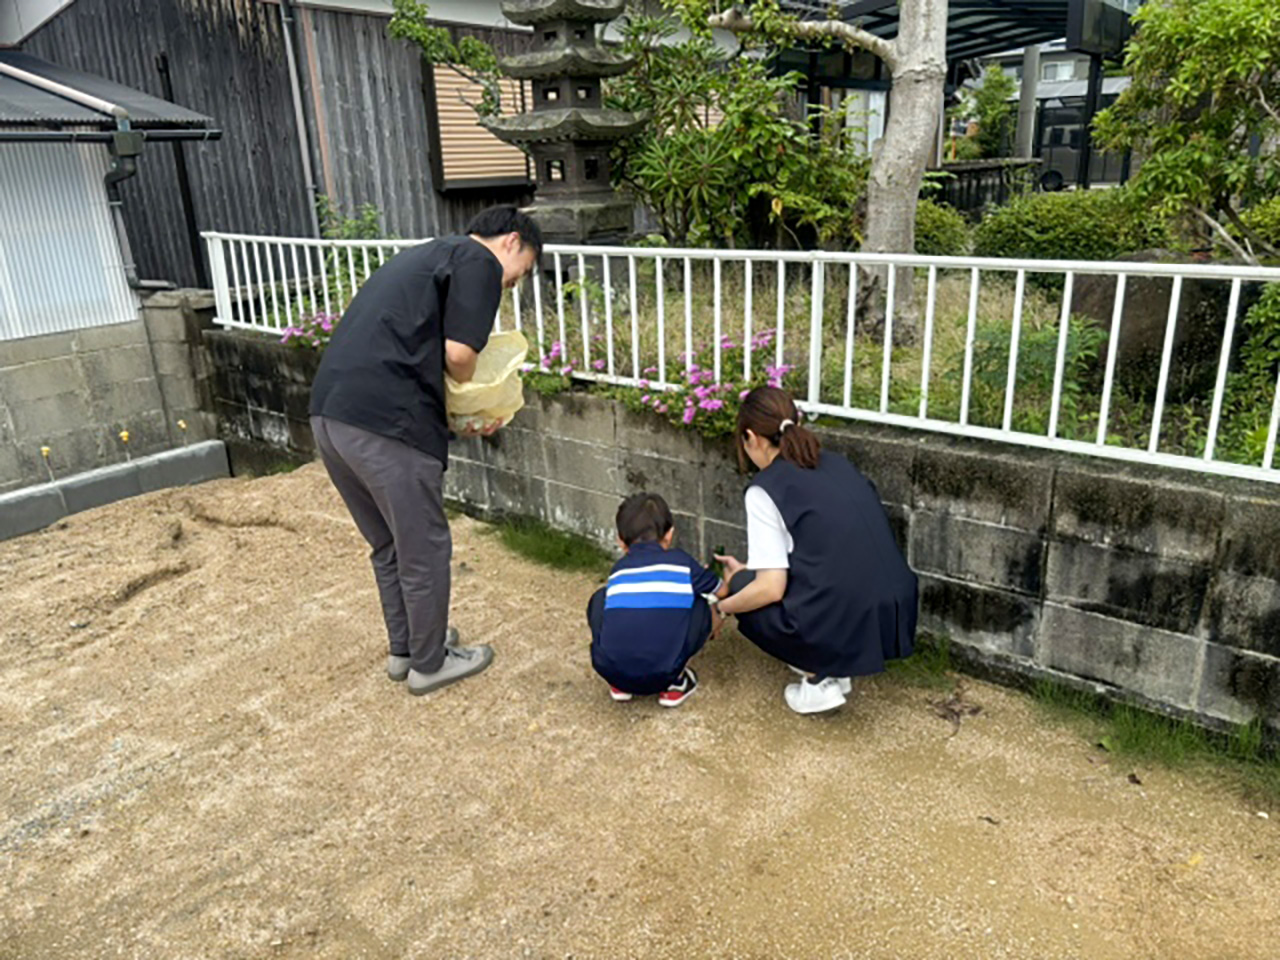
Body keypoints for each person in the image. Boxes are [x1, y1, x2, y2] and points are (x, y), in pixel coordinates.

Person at [309, 205, 542, 696]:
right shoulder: (478, 262)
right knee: (425, 547)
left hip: (331, 416)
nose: (511, 285)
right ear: (511, 242)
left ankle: (408, 650)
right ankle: (430, 664)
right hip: (387, 424)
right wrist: (479, 397)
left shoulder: (427, 255)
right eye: (520, 273)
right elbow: (459, 358)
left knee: (390, 544)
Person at [714, 387, 917, 714]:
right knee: (755, 579)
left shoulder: (764, 490)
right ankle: (838, 664)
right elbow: (822, 551)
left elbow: (769, 588)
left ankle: (818, 680)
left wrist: (722, 608)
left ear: (751, 437)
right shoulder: (837, 464)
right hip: (893, 610)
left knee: (744, 588)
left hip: (842, 616)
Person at [587, 493, 728, 707]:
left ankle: (621, 684)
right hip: (664, 673)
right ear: (669, 535)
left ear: (621, 542)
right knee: (700, 605)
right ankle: (676, 683)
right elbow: (722, 591)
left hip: (611, 671)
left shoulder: (619, 570)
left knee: (601, 599)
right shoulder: (682, 562)